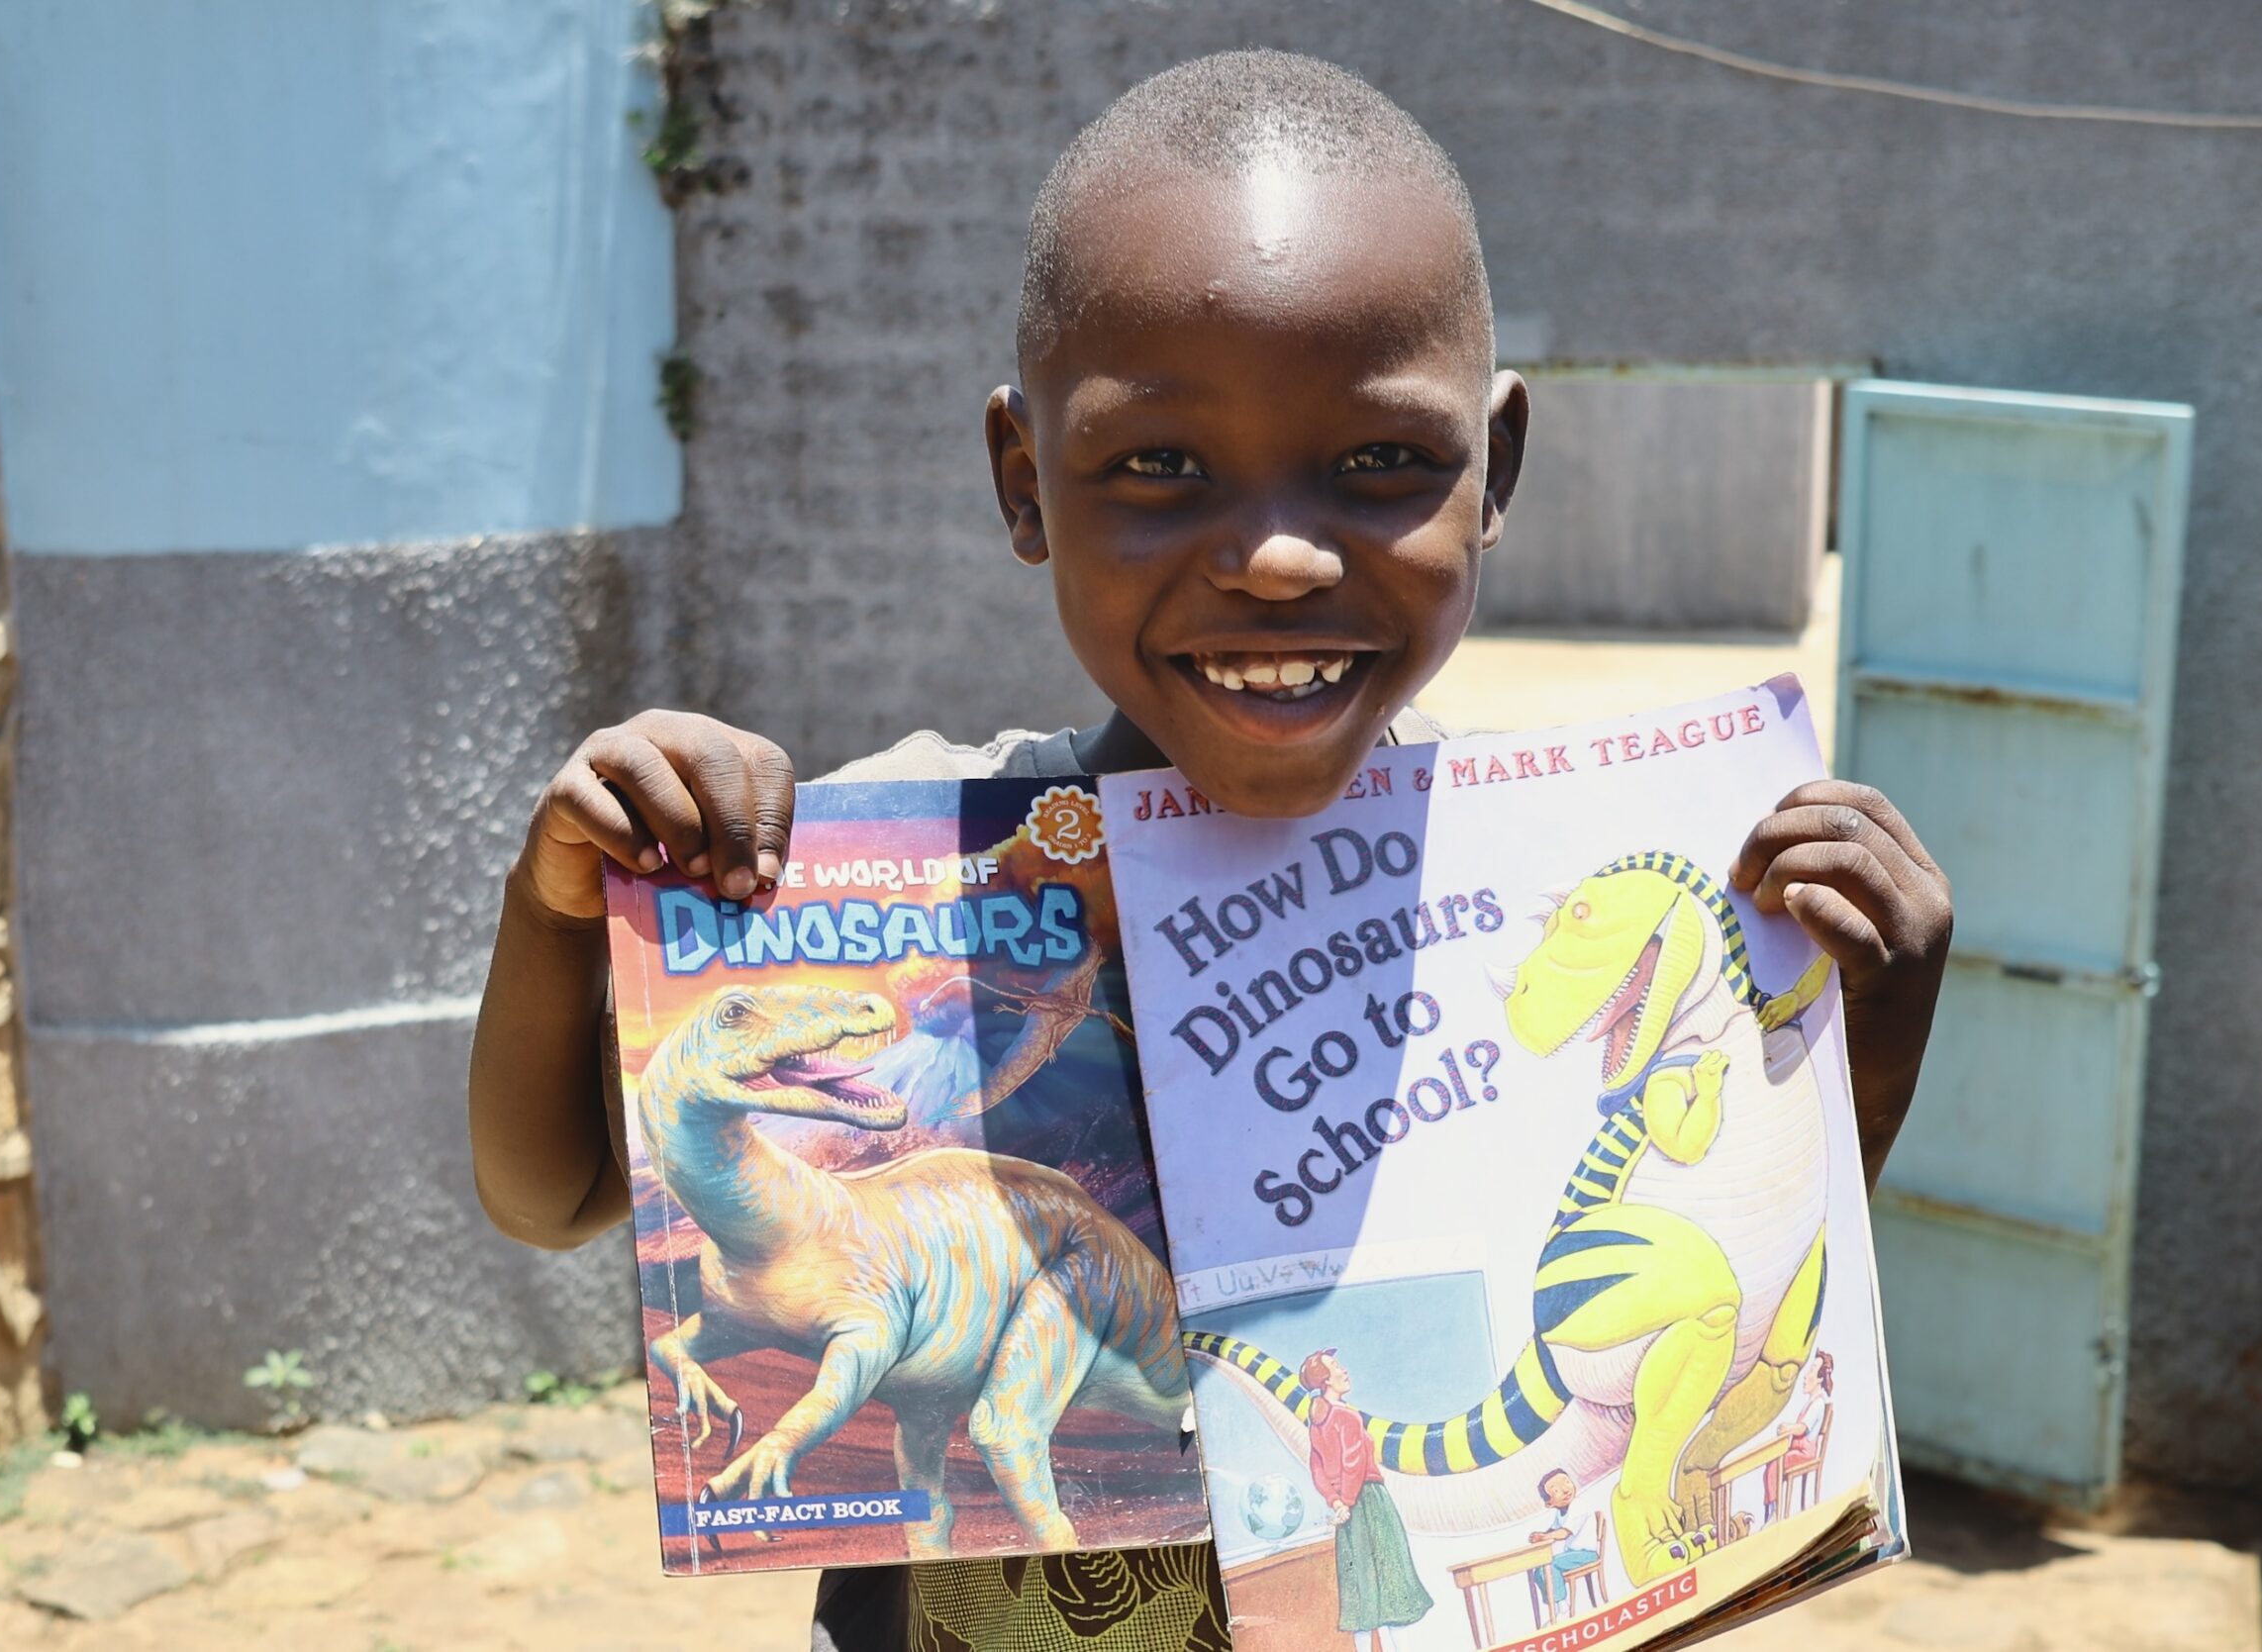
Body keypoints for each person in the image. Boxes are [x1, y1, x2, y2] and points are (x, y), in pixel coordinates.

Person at [466, 48, 1954, 1652]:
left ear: (1496, 469)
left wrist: (1852, 1053)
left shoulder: (1550, 916)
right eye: (1160, 466)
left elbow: (1690, 1316)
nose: (1279, 552)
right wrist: (561, 909)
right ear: (1025, 483)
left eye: (1381, 460)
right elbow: (549, 1188)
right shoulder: (899, 885)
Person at [1302, 1350, 1433, 1648]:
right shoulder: (1347, 1415)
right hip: (1368, 1500)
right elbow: (1354, 1461)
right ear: (1324, 1379)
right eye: (1336, 1367)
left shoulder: (1316, 1421)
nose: (1343, 1370)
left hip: (1345, 1512)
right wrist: (1347, 1500)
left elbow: (1317, 1468)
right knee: (1391, 1582)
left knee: (1361, 1585)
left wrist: (1335, 1502)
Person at [1762, 1350, 1836, 1521]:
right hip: (1796, 1451)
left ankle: (1774, 1513)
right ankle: (1770, 1511)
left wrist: (1788, 1428)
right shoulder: (1810, 1403)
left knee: (1775, 1466)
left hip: (1804, 1454)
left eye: (1811, 1371)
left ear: (1819, 1378)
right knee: (1771, 1465)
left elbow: (1802, 1428)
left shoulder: (1818, 1404)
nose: (1805, 1376)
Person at [1526, 1468, 1603, 1621]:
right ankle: (1556, 1605)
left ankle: (1563, 1607)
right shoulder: (1561, 1512)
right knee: (1539, 1571)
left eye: (1566, 1482)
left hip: (1586, 1554)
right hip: (1573, 1555)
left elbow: (1563, 1533)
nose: (1566, 1489)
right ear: (1549, 1503)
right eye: (1557, 1490)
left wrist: (1546, 1536)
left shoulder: (1578, 1506)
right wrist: (1541, 1536)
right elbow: (1554, 1529)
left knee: (1551, 1565)